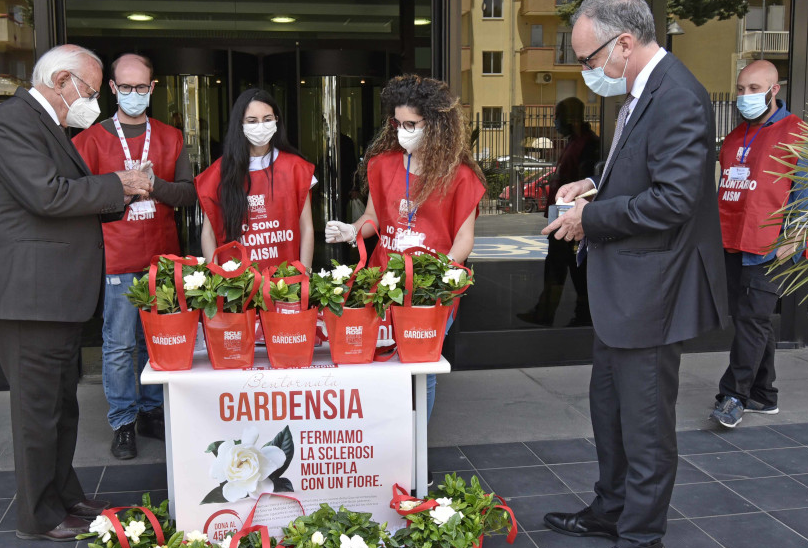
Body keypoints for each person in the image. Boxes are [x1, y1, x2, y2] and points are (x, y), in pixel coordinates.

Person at [540, 0, 727, 548]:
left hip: (654, 290)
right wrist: (591, 186)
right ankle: (612, 508)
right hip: (626, 290)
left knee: (644, 422)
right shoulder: (642, 92)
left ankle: (643, 543)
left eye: (589, 59)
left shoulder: (677, 97)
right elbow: (637, 172)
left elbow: (674, 200)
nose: (588, 72)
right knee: (610, 408)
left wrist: (587, 219)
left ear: (623, 44)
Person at [0, 44, 153, 541]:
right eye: (91, 91)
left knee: (59, 407)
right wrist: (118, 183)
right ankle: (40, 515)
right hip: (29, 298)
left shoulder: (44, 124)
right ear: (61, 81)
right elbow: (47, 195)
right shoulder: (13, 122)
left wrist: (123, 192)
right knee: (38, 413)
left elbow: (65, 196)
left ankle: (64, 495)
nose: (92, 100)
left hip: (52, 297)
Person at [324, 74, 486, 423]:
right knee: (380, 364)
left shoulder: (460, 176)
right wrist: (351, 231)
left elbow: (464, 238)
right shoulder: (382, 165)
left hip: (431, 292)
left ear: (437, 124)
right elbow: (373, 219)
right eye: (396, 123)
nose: (402, 131)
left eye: (411, 124)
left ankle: (415, 452)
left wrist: (435, 276)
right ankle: (387, 443)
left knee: (421, 371)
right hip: (383, 285)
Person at [73, 53, 197, 460]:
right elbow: (80, 200)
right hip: (117, 258)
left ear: (153, 88)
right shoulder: (89, 141)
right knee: (120, 345)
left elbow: (188, 194)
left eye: (141, 88)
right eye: (124, 88)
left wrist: (153, 184)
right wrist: (122, 189)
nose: (133, 95)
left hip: (163, 259)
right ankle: (123, 422)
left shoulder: (171, 137)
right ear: (111, 88)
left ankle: (151, 411)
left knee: (156, 342)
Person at [711, 60, 808, 429]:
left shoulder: (797, 131)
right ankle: (763, 393)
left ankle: (733, 395)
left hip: (771, 245)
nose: (745, 96)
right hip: (732, 240)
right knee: (753, 320)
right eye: (741, 89)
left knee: (752, 319)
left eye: (754, 89)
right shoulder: (734, 136)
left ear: (774, 90)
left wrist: (794, 235)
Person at [195, 88, 315, 268]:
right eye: (252, 121)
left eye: (267, 119)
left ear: (276, 121)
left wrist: (304, 275)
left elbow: (306, 229)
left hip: (285, 285)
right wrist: (216, 279)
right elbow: (208, 234)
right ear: (240, 124)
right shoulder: (219, 172)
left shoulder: (296, 168)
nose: (261, 126)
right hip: (236, 286)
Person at [519, 97, 599, 327]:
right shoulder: (574, 141)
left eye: (557, 116)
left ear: (570, 117)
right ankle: (547, 312)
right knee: (558, 266)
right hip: (562, 216)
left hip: (573, 218)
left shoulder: (588, 144)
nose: (555, 121)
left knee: (576, 269)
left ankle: (580, 315)